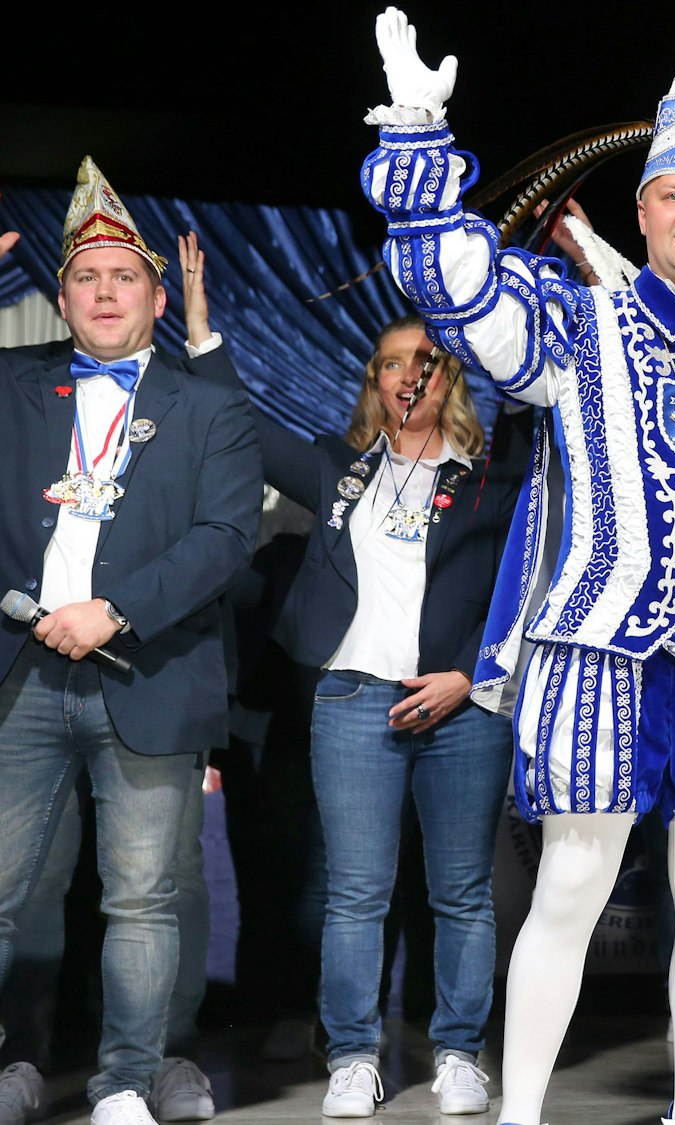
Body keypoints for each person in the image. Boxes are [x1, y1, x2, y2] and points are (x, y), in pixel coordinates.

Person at [357, 12, 675, 1125]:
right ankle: (523, 1112)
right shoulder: (574, 323)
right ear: (641, 214)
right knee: (570, 890)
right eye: (674, 195)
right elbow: (455, 291)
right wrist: (415, 142)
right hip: (599, 644)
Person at [177, 230, 529, 1114]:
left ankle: (457, 1051)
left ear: (452, 378)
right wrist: (200, 330)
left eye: (426, 361)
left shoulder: (496, 476)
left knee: (461, 892)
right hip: (353, 701)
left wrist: (467, 676)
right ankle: (353, 1054)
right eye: (389, 363)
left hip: (463, 704)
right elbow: (239, 425)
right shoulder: (341, 470)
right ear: (371, 381)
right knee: (354, 893)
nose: (407, 374)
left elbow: (524, 588)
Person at [0, 165, 260, 1125]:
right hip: (17, 677)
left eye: (123, 276)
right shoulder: (13, 382)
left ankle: (125, 1081)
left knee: (142, 900)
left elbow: (224, 538)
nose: (102, 290)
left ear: (157, 297)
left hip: (149, 673)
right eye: (86, 275)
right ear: (60, 296)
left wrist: (115, 608)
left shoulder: (210, 407)